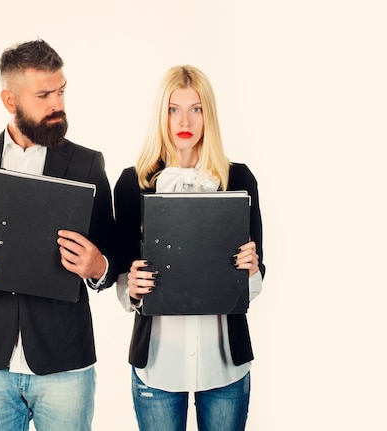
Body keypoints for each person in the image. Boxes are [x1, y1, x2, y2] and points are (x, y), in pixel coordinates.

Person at [0, 39, 118, 431]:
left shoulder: (86, 163)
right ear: (9, 101)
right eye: (43, 94)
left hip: (65, 363)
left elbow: (111, 257)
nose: (57, 104)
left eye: (61, 91)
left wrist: (98, 265)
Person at [113, 65, 265, 431]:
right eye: (173, 109)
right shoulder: (133, 183)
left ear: (207, 114)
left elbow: (257, 282)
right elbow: (122, 281)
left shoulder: (239, 179)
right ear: (160, 114)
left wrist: (252, 268)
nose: (185, 119)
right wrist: (130, 288)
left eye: (195, 108)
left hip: (224, 364)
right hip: (158, 366)